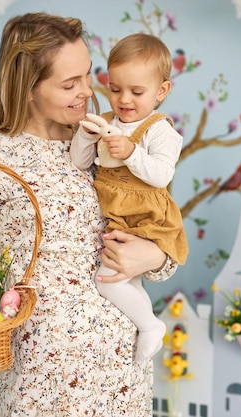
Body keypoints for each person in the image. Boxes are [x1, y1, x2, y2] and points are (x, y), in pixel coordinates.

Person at [0, 12, 178, 416]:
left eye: (87, 75)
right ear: (28, 87)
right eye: (69, 84)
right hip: (39, 373)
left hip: (121, 369)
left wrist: (156, 256)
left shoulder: (108, 138)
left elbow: (158, 224)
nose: (87, 91)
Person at [70, 33, 188, 361]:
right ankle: (142, 329)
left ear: (162, 91)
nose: (124, 100)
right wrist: (85, 135)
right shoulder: (107, 122)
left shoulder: (161, 130)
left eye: (137, 92)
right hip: (117, 213)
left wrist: (132, 152)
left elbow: (162, 175)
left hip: (144, 215)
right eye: (115, 88)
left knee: (107, 281)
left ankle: (151, 326)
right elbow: (79, 164)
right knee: (125, 280)